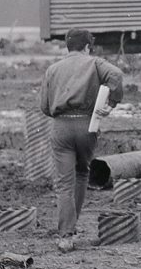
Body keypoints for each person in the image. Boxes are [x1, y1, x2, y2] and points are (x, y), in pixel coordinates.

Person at [39, 28, 124, 252]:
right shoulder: (94, 63)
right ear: (87, 47)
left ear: (67, 46)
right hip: (87, 125)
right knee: (82, 173)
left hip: (61, 127)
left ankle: (66, 236)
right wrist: (111, 103)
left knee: (64, 183)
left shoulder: (53, 69)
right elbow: (116, 75)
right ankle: (72, 224)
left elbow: (44, 107)